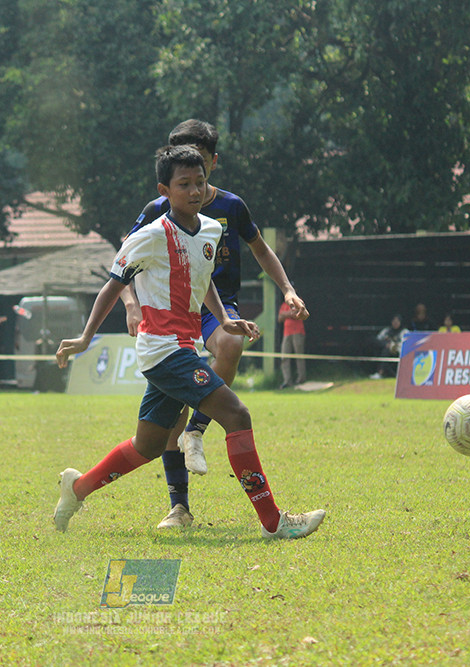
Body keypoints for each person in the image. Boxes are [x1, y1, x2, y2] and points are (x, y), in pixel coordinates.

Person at [53, 144, 325, 540]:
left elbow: (204, 279)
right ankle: (274, 521)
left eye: (200, 182)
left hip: (183, 347)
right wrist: (85, 337)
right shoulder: (149, 236)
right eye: (184, 184)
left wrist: (227, 321)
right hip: (162, 350)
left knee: (148, 445)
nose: (195, 190)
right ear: (164, 190)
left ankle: (76, 489)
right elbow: (114, 285)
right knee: (237, 415)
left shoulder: (212, 229)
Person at [121, 119, 308, 529]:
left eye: (200, 171)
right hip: (171, 317)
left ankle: (198, 429)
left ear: (213, 165)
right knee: (163, 426)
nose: (195, 188)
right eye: (184, 177)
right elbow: (123, 265)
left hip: (214, 306)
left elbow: (261, 250)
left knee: (230, 345)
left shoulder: (231, 207)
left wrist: (288, 289)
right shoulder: (159, 212)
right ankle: (179, 507)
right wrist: (131, 305)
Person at [278, 299, 306, 389]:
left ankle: (301, 379)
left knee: (299, 356)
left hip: (298, 331)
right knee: (284, 357)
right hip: (287, 333)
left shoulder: (299, 302)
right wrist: (289, 313)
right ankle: (287, 381)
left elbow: (297, 315)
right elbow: (279, 318)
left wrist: (285, 314)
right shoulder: (284, 304)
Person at [371, 314, 408, 379]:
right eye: (394, 321)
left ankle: (381, 372)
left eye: (397, 321)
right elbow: (378, 339)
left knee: (386, 350)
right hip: (386, 349)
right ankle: (379, 372)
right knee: (383, 348)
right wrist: (385, 344)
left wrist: (392, 345)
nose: (395, 323)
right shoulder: (386, 330)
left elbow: (406, 344)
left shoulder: (404, 331)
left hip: (399, 351)